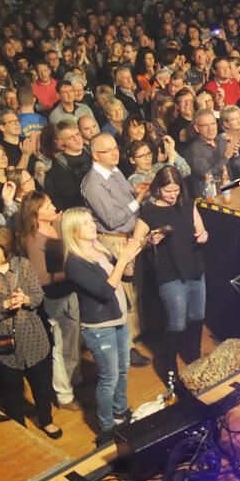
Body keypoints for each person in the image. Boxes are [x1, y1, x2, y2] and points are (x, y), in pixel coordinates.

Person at [62, 207, 143, 445]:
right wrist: (123, 262)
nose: (93, 225)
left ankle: (120, 412)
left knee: (123, 370)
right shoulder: (75, 263)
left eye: (91, 221)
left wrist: (129, 261)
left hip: (118, 319)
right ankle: (106, 429)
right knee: (108, 378)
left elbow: (124, 278)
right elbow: (105, 291)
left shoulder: (99, 249)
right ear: (74, 230)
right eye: (87, 223)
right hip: (99, 327)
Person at [0, 226, 61, 438]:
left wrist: (26, 300)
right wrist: (4, 304)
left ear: (5, 246)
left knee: (41, 386)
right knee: (11, 393)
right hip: (3, 344)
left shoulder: (24, 265)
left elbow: (38, 296)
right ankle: (20, 430)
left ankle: (46, 421)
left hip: (33, 339)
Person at [80, 133, 152, 366]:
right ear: (95, 155)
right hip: (114, 240)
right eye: (108, 150)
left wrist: (134, 191)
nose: (115, 153)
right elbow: (111, 218)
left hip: (132, 236)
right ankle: (128, 348)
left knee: (137, 289)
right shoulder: (92, 183)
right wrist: (138, 199)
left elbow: (125, 201)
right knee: (125, 295)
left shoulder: (115, 171)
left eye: (115, 148)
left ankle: (138, 334)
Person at [137, 166, 209, 379]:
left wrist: (204, 235)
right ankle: (169, 365)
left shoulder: (187, 205)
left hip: (194, 266)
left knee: (197, 316)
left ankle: (193, 357)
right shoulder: (149, 212)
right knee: (177, 323)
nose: (172, 195)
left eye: (176, 190)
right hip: (170, 273)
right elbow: (136, 243)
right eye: (168, 191)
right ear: (158, 188)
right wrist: (149, 241)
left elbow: (202, 230)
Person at [17, 191, 81, 411]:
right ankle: (64, 396)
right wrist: (75, 271)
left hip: (68, 291)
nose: (53, 207)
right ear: (35, 212)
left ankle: (74, 381)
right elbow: (42, 277)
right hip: (53, 298)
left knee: (72, 344)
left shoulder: (53, 227)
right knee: (60, 348)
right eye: (47, 205)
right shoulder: (34, 239)